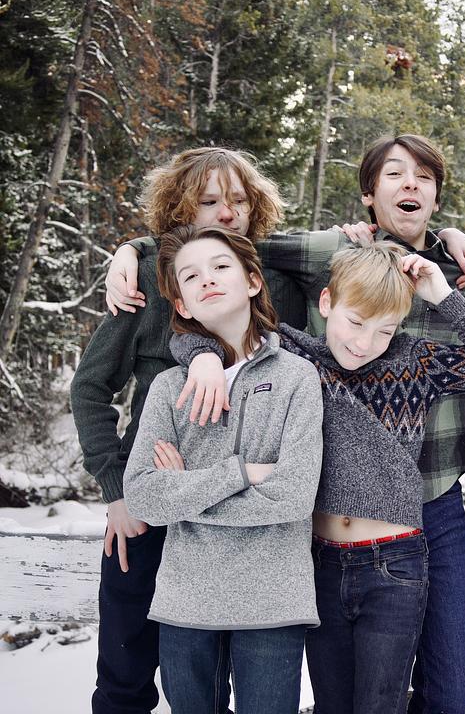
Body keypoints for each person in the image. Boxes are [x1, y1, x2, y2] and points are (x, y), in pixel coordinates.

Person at [104, 134, 465, 714]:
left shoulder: (455, 285)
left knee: (445, 681)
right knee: (338, 692)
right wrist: (145, 264)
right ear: (368, 195)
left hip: (430, 511)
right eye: (395, 174)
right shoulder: (321, 299)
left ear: (436, 196)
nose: (410, 185)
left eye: (423, 177)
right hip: (327, 534)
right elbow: (225, 266)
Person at [171, 240, 465, 713]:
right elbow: (207, 330)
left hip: (395, 565)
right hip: (319, 562)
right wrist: (204, 357)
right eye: (355, 322)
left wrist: (443, 295)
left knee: (380, 705)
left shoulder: (415, 362)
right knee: (332, 704)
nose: (364, 343)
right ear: (326, 303)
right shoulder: (297, 356)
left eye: (384, 330)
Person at [70, 146, 306, 714]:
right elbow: (90, 388)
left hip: (245, 510)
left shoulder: (278, 280)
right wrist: (117, 491)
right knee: (127, 672)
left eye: (239, 201)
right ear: (180, 209)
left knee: (218, 672)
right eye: (208, 202)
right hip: (150, 498)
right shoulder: (151, 282)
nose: (227, 213)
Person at [123, 226, 323, 714]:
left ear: (252, 281)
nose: (207, 279)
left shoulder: (298, 377)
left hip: (273, 601)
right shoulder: (169, 387)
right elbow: (144, 497)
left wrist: (184, 493)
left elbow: (295, 495)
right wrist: (243, 473)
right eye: (191, 276)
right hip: (186, 601)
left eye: (219, 267)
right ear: (183, 305)